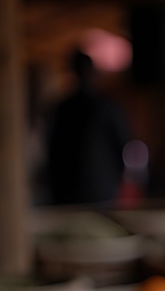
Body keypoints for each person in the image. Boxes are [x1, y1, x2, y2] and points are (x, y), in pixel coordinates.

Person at [46, 48, 131, 206]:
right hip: (96, 190)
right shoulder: (106, 106)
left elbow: (52, 150)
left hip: (76, 191)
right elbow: (122, 145)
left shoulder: (64, 108)